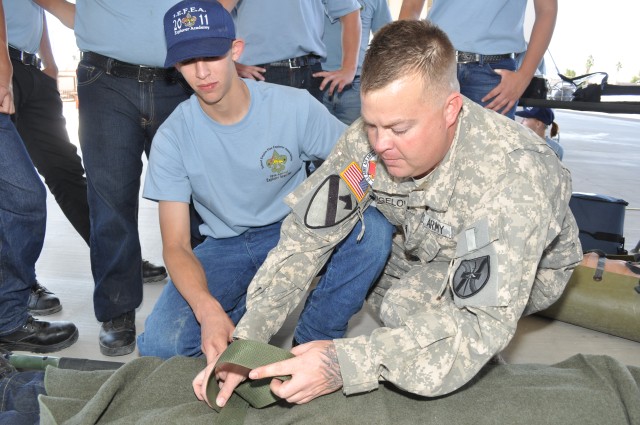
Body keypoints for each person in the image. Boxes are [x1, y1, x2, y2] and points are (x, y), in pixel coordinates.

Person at [202, 19, 583, 408]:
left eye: (399, 129)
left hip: (517, 264)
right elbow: (305, 240)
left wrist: (343, 363)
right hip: (423, 240)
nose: (381, 145)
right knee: (383, 275)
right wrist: (246, 343)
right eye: (372, 125)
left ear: (450, 109)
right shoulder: (368, 142)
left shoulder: (514, 174)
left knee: (420, 316)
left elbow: (478, 319)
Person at [136, 0, 393, 364]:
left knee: (373, 230)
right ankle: (243, 313)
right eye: (188, 62)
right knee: (163, 347)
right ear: (176, 66)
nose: (202, 72)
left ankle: (314, 340)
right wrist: (207, 309)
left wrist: (329, 204)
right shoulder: (172, 137)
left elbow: (363, 159)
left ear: (235, 51)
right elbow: (176, 245)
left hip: (297, 227)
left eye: (211, 56)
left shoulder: (294, 107)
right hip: (226, 245)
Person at [73, 0, 193, 356]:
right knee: (110, 200)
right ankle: (116, 309)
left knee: (198, 196)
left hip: (180, 79)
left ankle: (204, 293)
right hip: (105, 79)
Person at [0, 0, 78, 356]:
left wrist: (49, 62)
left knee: (37, 189)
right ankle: (11, 311)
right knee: (21, 197)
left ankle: (10, 309)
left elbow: (39, 16)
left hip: (24, 66)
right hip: (8, 66)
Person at [398, 0, 557, 119]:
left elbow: (547, 9)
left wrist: (524, 77)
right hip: (434, 63)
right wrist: (405, 64)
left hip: (493, 76)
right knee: (424, 157)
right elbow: (411, 7)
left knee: (491, 159)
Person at [219, 0, 361, 102]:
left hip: (310, 72)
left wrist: (349, 68)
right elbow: (213, 16)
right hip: (260, 75)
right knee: (265, 141)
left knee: (311, 142)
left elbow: (350, 12)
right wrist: (230, 65)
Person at [319, 0, 392, 125]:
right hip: (317, 80)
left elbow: (386, 41)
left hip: (356, 86)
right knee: (316, 141)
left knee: (354, 141)